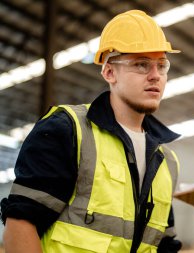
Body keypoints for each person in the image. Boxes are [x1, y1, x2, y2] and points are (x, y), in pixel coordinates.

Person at [1, 10, 183, 253]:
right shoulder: (67, 130)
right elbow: (21, 224)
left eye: (162, 65)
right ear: (109, 72)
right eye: (141, 64)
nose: (155, 76)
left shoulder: (167, 161)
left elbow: (164, 245)